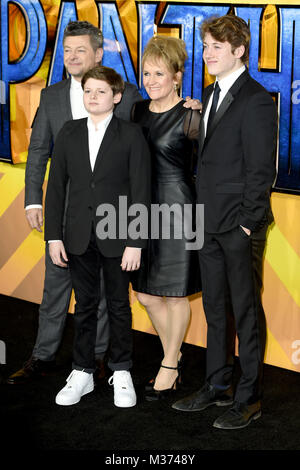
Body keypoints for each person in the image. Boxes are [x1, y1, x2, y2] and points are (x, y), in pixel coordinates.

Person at [7, 21, 142, 385]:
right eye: (67, 50)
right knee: (55, 287)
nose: (71, 57)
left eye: (80, 50)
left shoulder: (126, 95)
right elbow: (38, 153)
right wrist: (32, 200)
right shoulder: (51, 97)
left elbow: (144, 140)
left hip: (111, 215)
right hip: (64, 213)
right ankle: (43, 355)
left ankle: (95, 359)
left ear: (98, 54)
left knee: (99, 294)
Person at [172, 15, 277, 429]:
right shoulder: (211, 93)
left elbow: (259, 170)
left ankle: (249, 398)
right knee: (217, 310)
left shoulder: (255, 99)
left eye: (217, 47)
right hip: (209, 222)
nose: (208, 54)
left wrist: (248, 225)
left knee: (246, 312)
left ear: (239, 50)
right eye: (205, 47)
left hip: (239, 227)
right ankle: (217, 386)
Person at [44, 65, 151, 407]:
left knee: (119, 305)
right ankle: (83, 372)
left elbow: (141, 190)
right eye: (88, 90)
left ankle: (121, 370)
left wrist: (136, 240)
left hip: (119, 236)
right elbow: (57, 188)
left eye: (101, 91)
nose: (93, 96)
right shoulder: (68, 132)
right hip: (76, 236)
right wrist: (53, 236)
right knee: (85, 305)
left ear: (116, 97)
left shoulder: (131, 134)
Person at [131, 36, 201, 401]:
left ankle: (169, 365)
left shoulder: (192, 115)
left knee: (175, 296)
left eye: (159, 72)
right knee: (144, 293)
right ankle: (173, 355)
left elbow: (205, 166)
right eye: (146, 72)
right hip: (142, 209)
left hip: (179, 209)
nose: (151, 79)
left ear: (177, 75)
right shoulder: (137, 111)